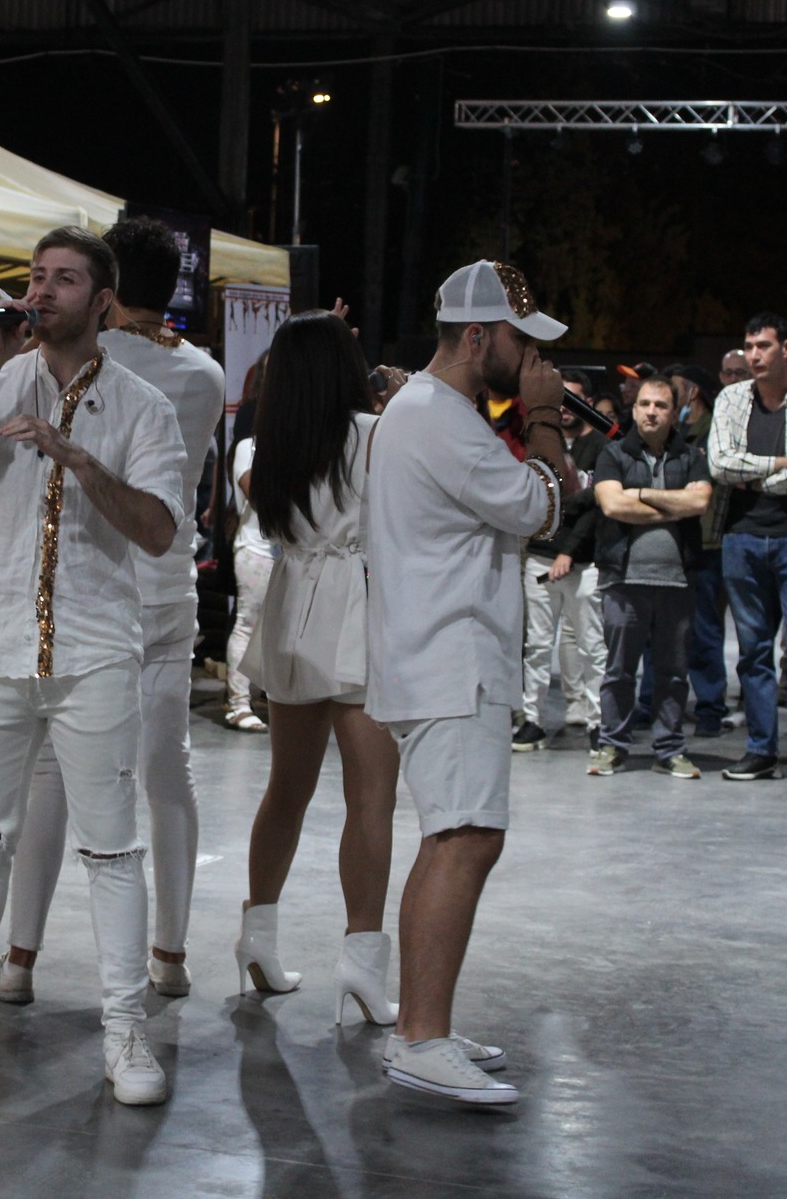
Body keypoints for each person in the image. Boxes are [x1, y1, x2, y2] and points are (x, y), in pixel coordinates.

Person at [0, 227, 184, 1108]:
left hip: (94, 651)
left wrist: (77, 456)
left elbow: (159, 530)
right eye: (36, 276)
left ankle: (124, 1030)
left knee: (112, 846)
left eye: (64, 280)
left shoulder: (141, 407)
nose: (42, 291)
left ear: (103, 301)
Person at [3, 217, 226, 1004]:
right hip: (168, 587)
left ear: (107, 287)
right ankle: (170, 952)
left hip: (90, 586)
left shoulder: (80, 361)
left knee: (50, 775)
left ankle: (19, 959)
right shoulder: (206, 374)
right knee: (169, 773)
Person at [365, 259, 568, 1106]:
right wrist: (546, 417)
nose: (535, 360)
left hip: (445, 652)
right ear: (479, 335)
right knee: (465, 835)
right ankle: (421, 1035)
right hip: (450, 655)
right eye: (524, 342)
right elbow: (538, 506)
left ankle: (423, 1025)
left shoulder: (431, 411)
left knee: (453, 834)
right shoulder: (437, 415)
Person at [228, 310, 403, 1027]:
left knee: (286, 790)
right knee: (371, 796)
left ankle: (257, 936)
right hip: (356, 607)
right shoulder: (376, 434)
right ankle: (361, 962)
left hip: (293, 604)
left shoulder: (271, 445)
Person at [708, 313, 787, 789]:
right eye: (748, 346)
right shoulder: (731, 399)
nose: (753, 355)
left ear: (786, 348)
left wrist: (757, 477)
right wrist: (782, 463)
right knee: (753, 652)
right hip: (741, 537)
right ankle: (761, 750)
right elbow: (720, 464)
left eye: (762, 345)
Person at [588, 373, 714, 777]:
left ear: (674, 413)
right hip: (623, 579)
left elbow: (700, 502)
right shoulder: (613, 454)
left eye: (661, 405)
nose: (652, 412)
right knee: (618, 671)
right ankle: (612, 745)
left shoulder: (691, 457)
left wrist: (640, 494)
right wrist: (673, 506)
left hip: (677, 581)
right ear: (634, 408)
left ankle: (670, 748)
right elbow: (612, 505)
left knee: (673, 673)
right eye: (645, 404)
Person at [515, 370, 607, 746]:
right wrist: (573, 501)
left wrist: (568, 545)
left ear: (588, 403)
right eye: (560, 399)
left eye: (574, 400)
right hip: (540, 556)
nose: (565, 408)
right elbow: (531, 496)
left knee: (592, 645)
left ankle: (599, 722)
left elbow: (599, 502)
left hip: (585, 561)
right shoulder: (539, 440)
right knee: (536, 646)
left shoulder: (601, 446)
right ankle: (532, 719)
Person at [222, 429, 272, 732]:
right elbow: (257, 494)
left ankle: (260, 695)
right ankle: (239, 704)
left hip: (288, 553)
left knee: (276, 631)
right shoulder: (249, 447)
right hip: (256, 550)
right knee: (247, 625)